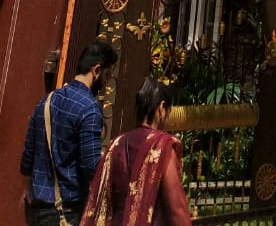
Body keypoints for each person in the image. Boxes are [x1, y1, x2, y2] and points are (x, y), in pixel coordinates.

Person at [21, 40, 118, 225]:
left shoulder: (47, 100)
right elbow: (91, 167)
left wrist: (29, 190)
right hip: (65, 212)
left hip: (35, 208)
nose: (106, 82)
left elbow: (27, 158)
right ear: (96, 70)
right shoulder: (89, 109)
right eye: (107, 75)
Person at [80, 77, 192, 226]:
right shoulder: (162, 146)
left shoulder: (116, 144)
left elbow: (102, 197)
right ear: (161, 108)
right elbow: (176, 208)